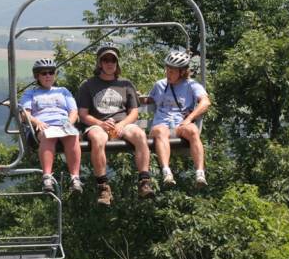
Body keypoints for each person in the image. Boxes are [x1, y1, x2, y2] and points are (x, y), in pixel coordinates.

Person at [77, 45, 153, 205]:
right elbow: (83, 114)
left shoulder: (125, 84)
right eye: (105, 60)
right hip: (98, 124)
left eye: (113, 60)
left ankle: (144, 181)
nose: (109, 63)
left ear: (117, 63)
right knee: (97, 139)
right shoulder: (88, 85)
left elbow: (134, 112)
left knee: (140, 135)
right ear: (100, 63)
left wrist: (122, 124)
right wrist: (101, 123)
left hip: (122, 123)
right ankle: (103, 186)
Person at [148, 50, 210, 189]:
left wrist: (190, 118)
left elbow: (205, 102)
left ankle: (200, 173)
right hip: (161, 125)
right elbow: (148, 100)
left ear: (182, 72)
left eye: (172, 71)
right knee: (160, 130)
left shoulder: (191, 85)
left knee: (193, 130)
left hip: (180, 125)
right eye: (167, 70)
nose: (168, 74)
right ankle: (166, 172)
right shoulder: (160, 85)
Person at [21, 58, 83, 193]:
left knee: (73, 135)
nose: (48, 76)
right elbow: (25, 114)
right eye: (44, 73)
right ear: (37, 76)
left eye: (51, 72)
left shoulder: (63, 91)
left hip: (63, 124)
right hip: (43, 125)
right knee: (48, 136)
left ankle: (75, 178)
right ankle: (47, 176)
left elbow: (73, 111)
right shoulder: (31, 93)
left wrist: (69, 123)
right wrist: (37, 122)